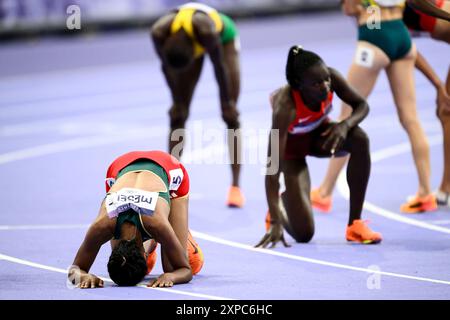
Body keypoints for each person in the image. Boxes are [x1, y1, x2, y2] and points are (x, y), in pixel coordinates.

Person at [311, 0, 438, 214]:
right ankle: (426, 193)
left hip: (374, 31)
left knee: (347, 117)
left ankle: (324, 192)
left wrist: (358, 9)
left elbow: (350, 8)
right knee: (411, 118)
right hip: (400, 32)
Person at [256, 46, 382, 248]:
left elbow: (362, 105)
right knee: (304, 234)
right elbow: (272, 170)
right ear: (298, 85)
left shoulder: (331, 78)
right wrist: (276, 222)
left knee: (359, 139)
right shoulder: (285, 106)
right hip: (292, 153)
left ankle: (355, 225)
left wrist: (345, 125)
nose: (325, 86)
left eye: (326, 80)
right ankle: (277, 209)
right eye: (316, 84)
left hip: (320, 136)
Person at [151, 2, 245, 208]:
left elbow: (219, 67)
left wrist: (226, 102)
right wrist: (176, 100)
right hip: (184, 44)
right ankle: (171, 185)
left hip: (223, 39)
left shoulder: (207, 31)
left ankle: (236, 187)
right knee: (178, 115)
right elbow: (166, 67)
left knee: (231, 116)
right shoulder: (158, 33)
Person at [68, 150, 204, 288]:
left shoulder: (157, 224)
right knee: (134, 261)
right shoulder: (103, 226)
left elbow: (185, 270)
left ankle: (179, 237)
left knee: (177, 266)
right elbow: (74, 272)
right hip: (120, 166)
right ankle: (158, 240)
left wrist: (171, 275)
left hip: (169, 167)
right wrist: (83, 275)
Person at [403, 0, 450, 207]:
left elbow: (402, 43)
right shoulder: (374, 11)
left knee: (447, 111)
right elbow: (402, 43)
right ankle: (446, 188)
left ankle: (446, 188)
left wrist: (439, 85)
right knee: (446, 111)